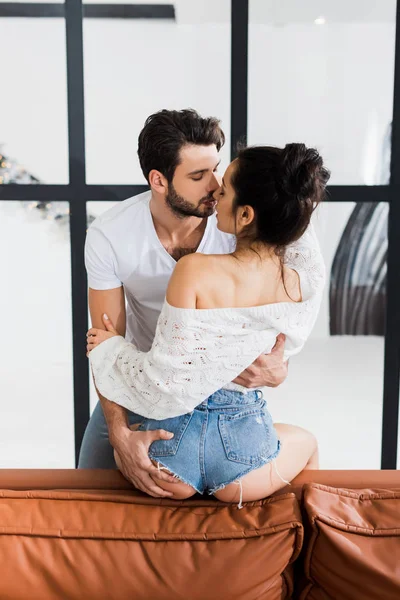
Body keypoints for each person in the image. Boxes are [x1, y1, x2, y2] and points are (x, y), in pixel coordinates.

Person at [87, 141, 329, 507]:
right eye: (200, 176)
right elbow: (295, 219)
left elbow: (164, 380)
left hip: (172, 453)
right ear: (159, 180)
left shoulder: (194, 272)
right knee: (307, 442)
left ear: (246, 215)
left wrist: (108, 349)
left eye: (223, 182)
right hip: (242, 460)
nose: (215, 189)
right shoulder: (300, 280)